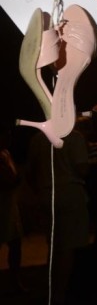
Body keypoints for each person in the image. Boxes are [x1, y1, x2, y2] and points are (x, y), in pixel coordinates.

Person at [25, 128, 91, 305]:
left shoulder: (38, 138)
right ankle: (60, 293)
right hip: (69, 192)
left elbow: (30, 171)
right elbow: (82, 168)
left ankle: (51, 287)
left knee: (54, 245)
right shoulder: (74, 137)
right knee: (67, 246)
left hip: (46, 193)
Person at [0, 123, 27, 296]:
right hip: (2, 207)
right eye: (6, 134)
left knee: (15, 243)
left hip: (10, 206)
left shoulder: (6, 154)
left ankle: (15, 281)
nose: (9, 138)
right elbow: (10, 180)